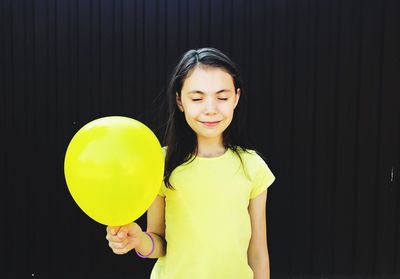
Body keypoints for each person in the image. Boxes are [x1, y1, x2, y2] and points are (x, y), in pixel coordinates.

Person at [105, 47, 276, 279]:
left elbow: (257, 252)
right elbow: (159, 244)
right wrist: (138, 240)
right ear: (180, 101)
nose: (210, 109)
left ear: (236, 97)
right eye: (197, 98)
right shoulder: (160, 163)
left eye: (222, 97)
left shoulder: (253, 167)